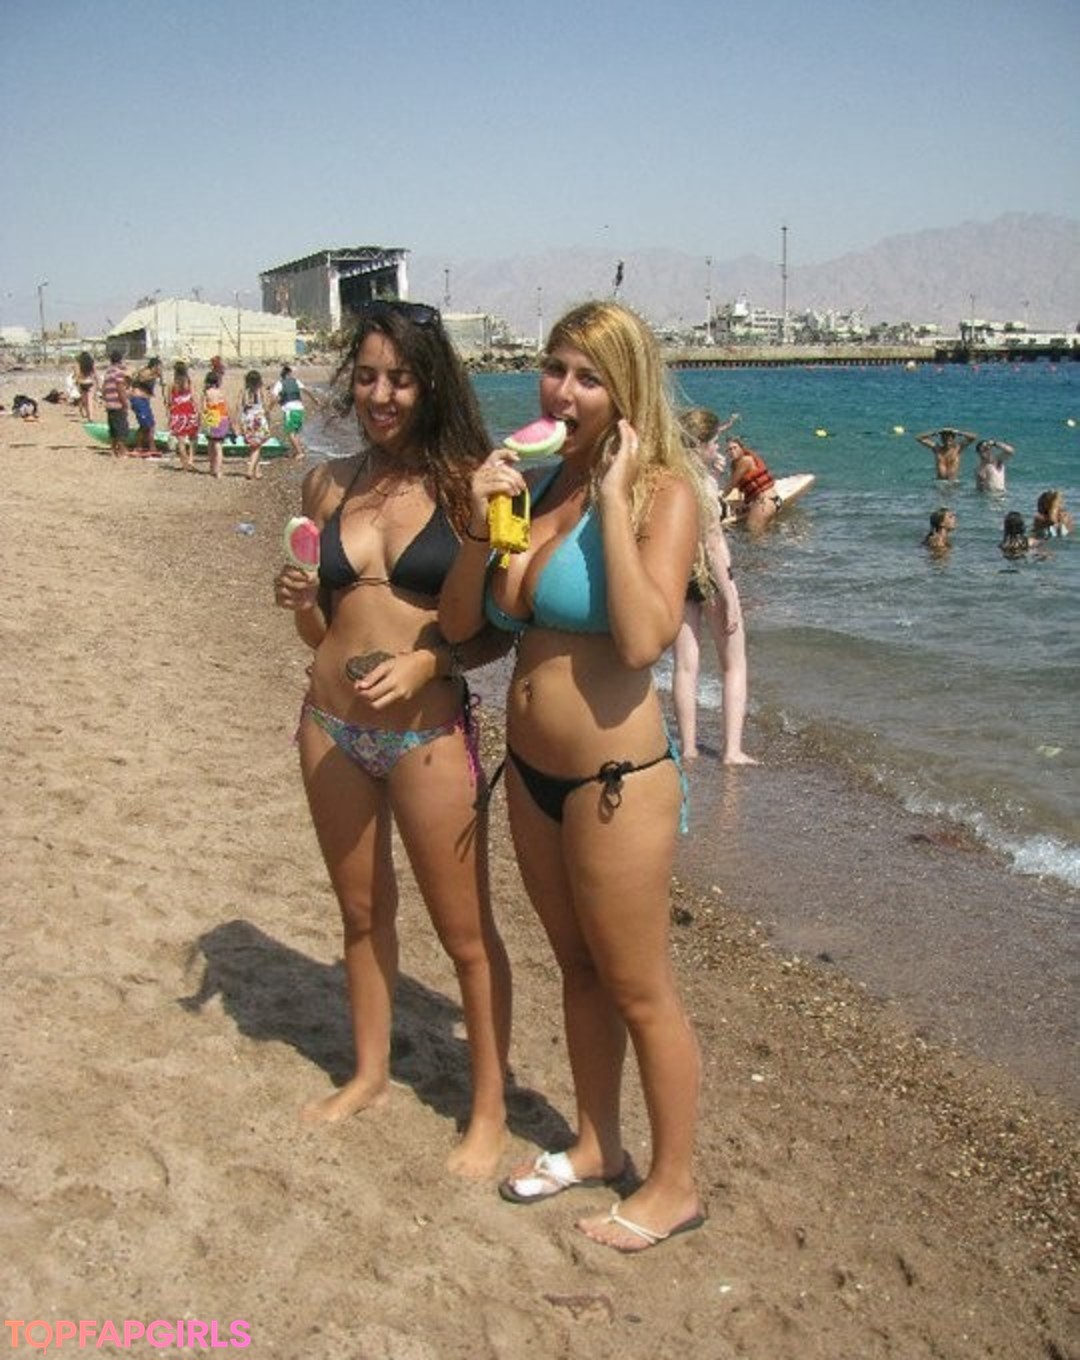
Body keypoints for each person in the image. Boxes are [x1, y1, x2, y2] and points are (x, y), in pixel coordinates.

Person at [439, 300, 707, 1252]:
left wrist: (615, 496)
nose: (563, 391)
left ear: (627, 392)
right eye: (555, 367)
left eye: (589, 377)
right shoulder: (537, 481)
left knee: (639, 985)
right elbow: (467, 627)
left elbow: (641, 640)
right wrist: (484, 525)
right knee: (579, 969)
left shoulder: (663, 492)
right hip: (532, 776)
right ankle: (597, 1143)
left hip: (615, 781)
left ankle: (674, 1185)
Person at [272, 299, 511, 1178]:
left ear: (431, 383)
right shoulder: (326, 484)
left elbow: (500, 630)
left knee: (467, 936)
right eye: (368, 376)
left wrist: (429, 663)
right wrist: (302, 604)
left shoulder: (476, 486)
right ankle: (369, 1074)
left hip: (426, 736)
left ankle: (488, 1111)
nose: (381, 395)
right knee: (361, 914)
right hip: (329, 726)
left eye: (401, 378)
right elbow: (322, 629)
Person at [671, 408, 757, 765]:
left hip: (678, 574)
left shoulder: (673, 477)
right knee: (733, 665)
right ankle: (731, 750)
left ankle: (689, 748)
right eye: (715, 442)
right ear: (700, 445)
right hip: (710, 575)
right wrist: (731, 597)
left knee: (685, 665)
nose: (719, 447)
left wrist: (712, 469)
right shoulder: (703, 486)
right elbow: (712, 543)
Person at [724, 434, 779, 534]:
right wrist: (742, 504)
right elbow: (738, 489)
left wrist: (717, 500)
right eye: (729, 450)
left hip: (764, 502)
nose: (732, 451)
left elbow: (731, 485)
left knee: (753, 536)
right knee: (764, 535)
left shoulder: (745, 461)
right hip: (766, 501)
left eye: (734, 448)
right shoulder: (734, 465)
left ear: (742, 448)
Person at [270, 363, 317, 460]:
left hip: (290, 410)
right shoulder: (296, 381)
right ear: (289, 374)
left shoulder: (280, 383)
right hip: (300, 409)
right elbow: (306, 390)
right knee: (296, 432)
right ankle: (298, 450)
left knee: (290, 432)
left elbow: (274, 398)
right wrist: (315, 400)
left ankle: (300, 452)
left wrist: (269, 408)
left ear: (282, 374)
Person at [235, 369, 271, 480]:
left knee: (254, 446)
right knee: (257, 446)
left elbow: (238, 407)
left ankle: (257, 471)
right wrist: (268, 419)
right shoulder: (261, 390)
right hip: (258, 419)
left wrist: (239, 423)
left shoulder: (243, 391)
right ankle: (250, 470)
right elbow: (266, 407)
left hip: (247, 419)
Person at [167, 362, 200, 472]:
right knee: (193, 438)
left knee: (181, 441)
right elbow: (194, 399)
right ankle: (191, 459)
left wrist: (169, 416)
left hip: (177, 413)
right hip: (189, 412)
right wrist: (198, 412)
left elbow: (169, 401)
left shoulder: (172, 384)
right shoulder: (189, 383)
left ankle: (184, 463)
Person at [100, 349, 130, 458]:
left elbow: (103, 388)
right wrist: (125, 403)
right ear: (120, 360)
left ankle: (113, 450)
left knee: (113, 428)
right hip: (117, 403)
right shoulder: (118, 372)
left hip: (109, 404)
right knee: (121, 428)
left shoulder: (108, 372)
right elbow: (120, 389)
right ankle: (122, 451)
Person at [200, 370, 230, 479]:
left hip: (211, 417)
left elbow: (204, 408)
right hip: (221, 416)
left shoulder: (206, 393)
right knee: (219, 445)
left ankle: (212, 467)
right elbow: (226, 407)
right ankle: (219, 471)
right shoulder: (221, 392)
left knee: (210, 444)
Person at [73, 351, 97, 421]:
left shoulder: (78, 363)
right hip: (90, 382)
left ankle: (87, 414)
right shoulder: (91, 363)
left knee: (85, 401)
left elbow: (77, 374)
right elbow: (95, 373)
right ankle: (90, 417)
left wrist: (77, 383)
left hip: (82, 383)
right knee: (90, 401)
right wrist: (98, 383)